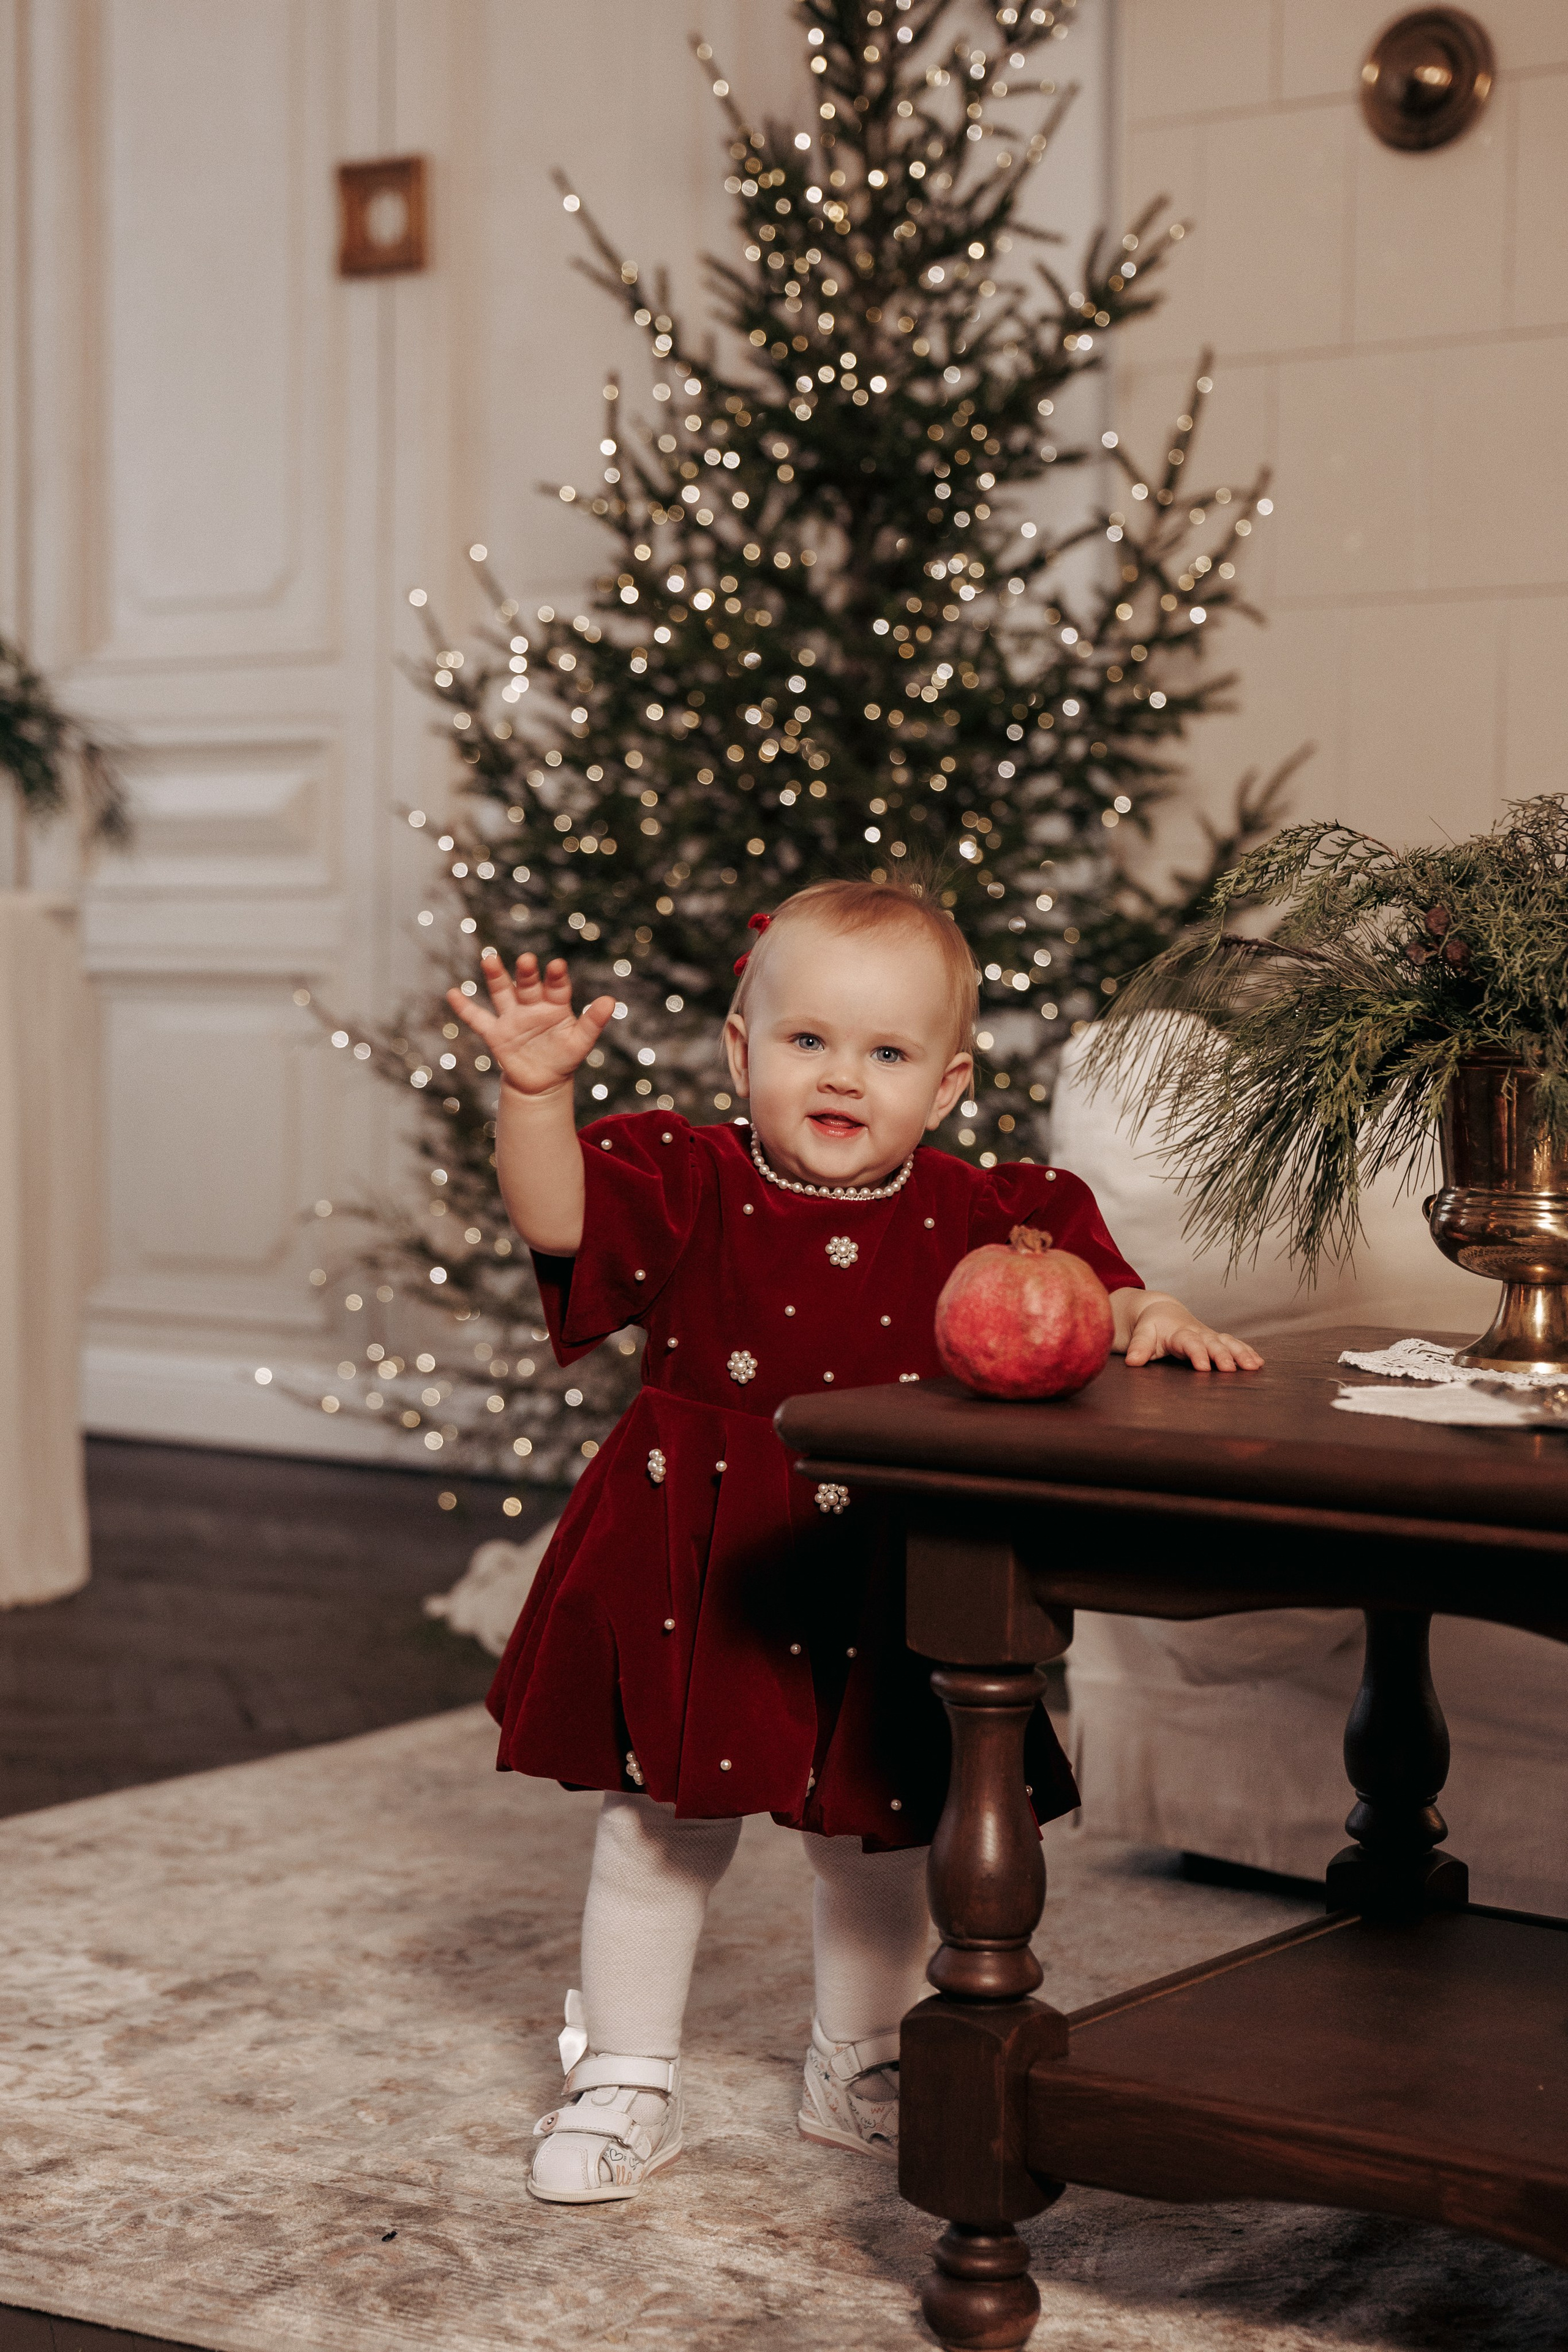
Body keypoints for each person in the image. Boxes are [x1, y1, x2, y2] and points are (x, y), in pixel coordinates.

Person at [449, 878, 1262, 2206]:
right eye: (807, 1042)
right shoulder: (689, 1177)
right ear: (740, 1052)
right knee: (657, 1829)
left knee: (879, 1826)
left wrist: (1148, 1312)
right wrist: (536, 1096)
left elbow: (1085, 1289)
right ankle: (622, 2070)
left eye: (884, 1055)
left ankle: (862, 2059)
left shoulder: (972, 1208)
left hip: (887, 1549)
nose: (841, 1077)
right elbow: (559, 1221)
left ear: (942, 1089)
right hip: (696, 1545)